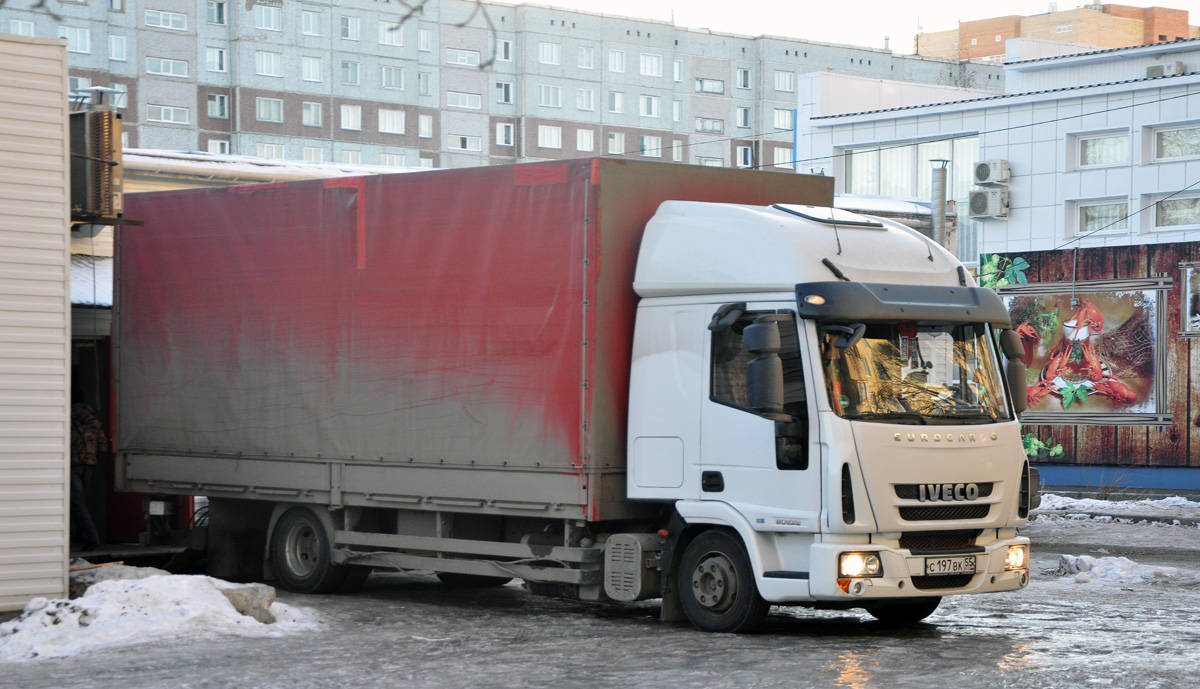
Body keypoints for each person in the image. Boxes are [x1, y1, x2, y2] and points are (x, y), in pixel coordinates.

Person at [70, 403, 104, 552]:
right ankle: (73, 536)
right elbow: (103, 443)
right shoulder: (93, 420)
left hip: (74, 463)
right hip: (90, 463)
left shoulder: (68, 416)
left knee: (76, 502)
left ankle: (91, 536)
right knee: (78, 501)